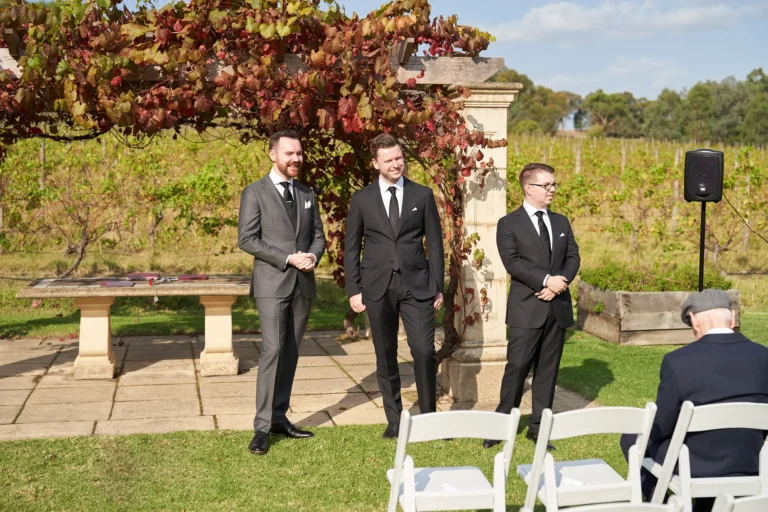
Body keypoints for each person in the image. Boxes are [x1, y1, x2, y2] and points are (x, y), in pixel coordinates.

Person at [620, 289, 768, 512]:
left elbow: (661, 425)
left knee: (632, 438)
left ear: (695, 322)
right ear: (733, 318)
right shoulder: (763, 357)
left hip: (697, 465)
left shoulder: (678, 361)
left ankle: (657, 504)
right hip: (750, 458)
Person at [344, 133, 444, 439]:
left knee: (424, 351)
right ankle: (395, 420)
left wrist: (438, 285)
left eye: (399, 158)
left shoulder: (422, 195)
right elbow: (351, 248)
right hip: (376, 287)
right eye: (388, 160)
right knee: (385, 352)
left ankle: (429, 419)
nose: (396, 164)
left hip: (418, 285)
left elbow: (436, 245)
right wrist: (354, 289)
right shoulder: (362, 199)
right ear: (376, 163)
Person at [238, 130, 326, 455]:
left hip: (303, 285)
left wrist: (313, 255)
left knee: (290, 353)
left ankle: (279, 418)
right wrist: (288, 258)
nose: (296, 159)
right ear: (273, 154)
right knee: (272, 351)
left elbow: (318, 235)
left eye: (299, 153)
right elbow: (247, 239)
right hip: (272, 284)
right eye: (289, 153)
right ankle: (261, 429)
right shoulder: (254, 192)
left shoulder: (306, 192)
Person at [484, 163, 580, 451]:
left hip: (557, 307)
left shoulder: (561, 222)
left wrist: (560, 283)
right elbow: (513, 263)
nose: (552, 189)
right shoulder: (508, 224)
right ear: (528, 188)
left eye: (553, 185)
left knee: (548, 372)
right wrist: (546, 281)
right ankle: (502, 426)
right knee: (517, 368)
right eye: (546, 185)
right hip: (527, 308)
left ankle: (539, 428)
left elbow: (573, 257)